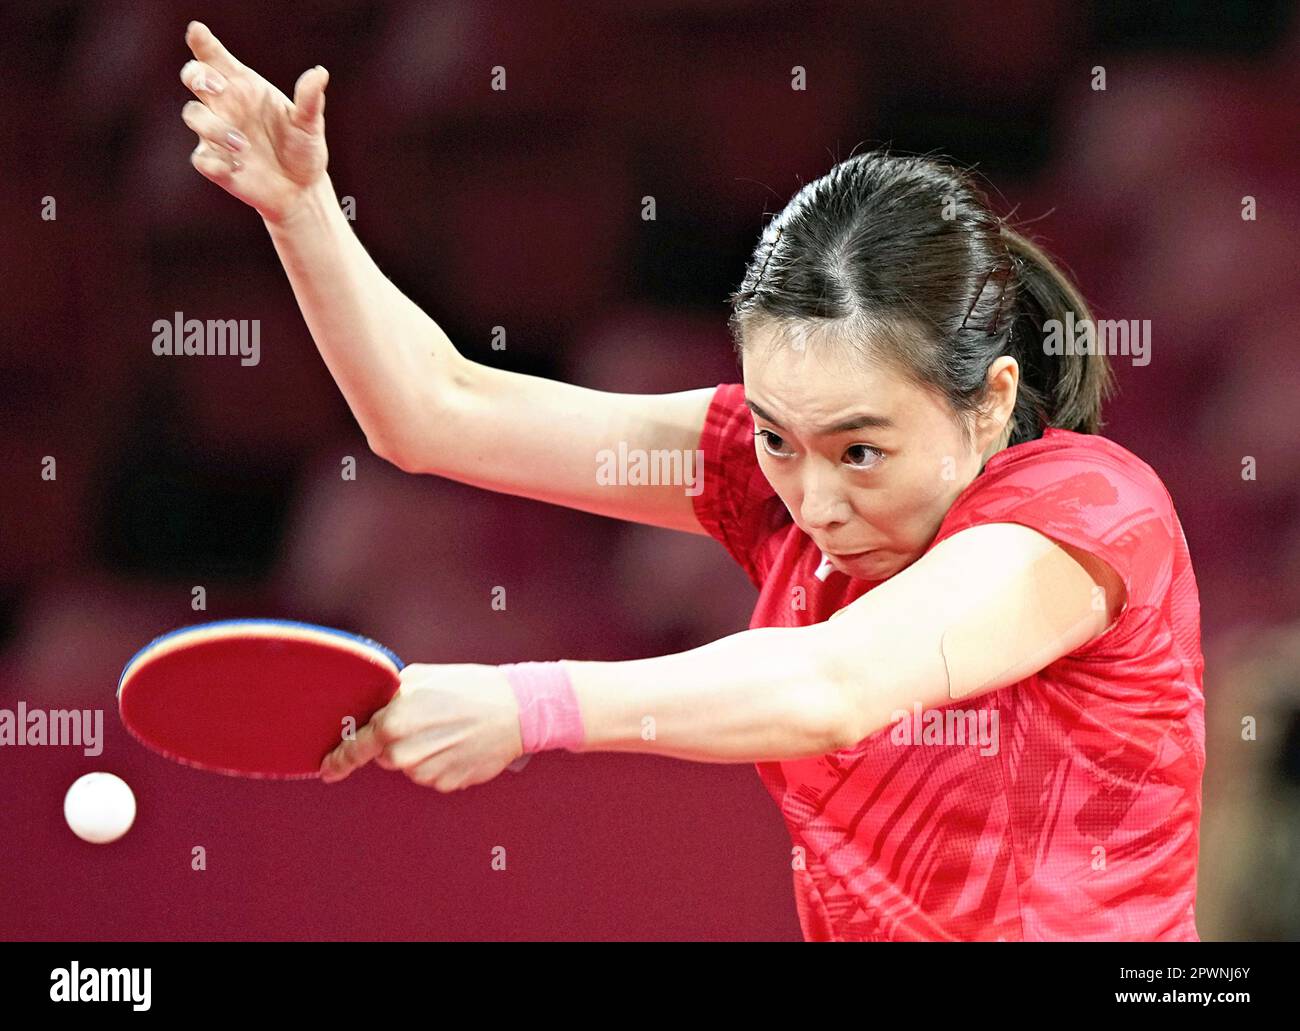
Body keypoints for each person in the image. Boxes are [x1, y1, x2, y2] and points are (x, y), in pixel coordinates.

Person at [179, 21, 1205, 941]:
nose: (812, 500)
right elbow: (437, 411)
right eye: (775, 436)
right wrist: (301, 209)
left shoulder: (1087, 513)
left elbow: (833, 684)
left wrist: (531, 702)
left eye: (860, 450)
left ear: (986, 401)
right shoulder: (766, 479)